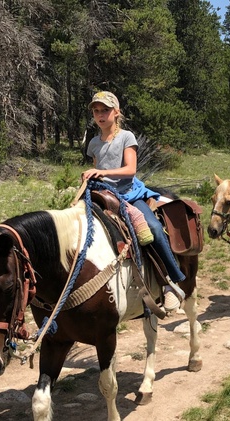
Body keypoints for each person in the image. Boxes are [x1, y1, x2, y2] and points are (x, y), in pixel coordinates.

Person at [82, 91, 185, 312]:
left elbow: (130, 170)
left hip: (128, 194)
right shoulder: (93, 143)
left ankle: (172, 283)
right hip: (103, 194)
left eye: (105, 110)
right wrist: (91, 176)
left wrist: (101, 172)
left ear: (116, 112)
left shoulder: (126, 137)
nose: (100, 115)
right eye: (96, 111)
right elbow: (97, 166)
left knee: (154, 228)